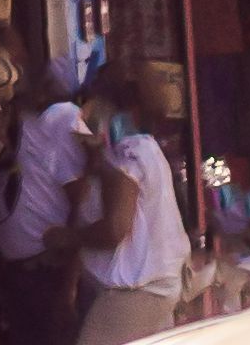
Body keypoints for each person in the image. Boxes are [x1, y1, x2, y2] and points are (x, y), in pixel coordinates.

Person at [72, 55, 191, 345]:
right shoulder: (141, 150)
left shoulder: (130, 154)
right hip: (154, 289)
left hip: (136, 292)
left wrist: (66, 238)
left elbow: (115, 228)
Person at [0, 65, 98, 345]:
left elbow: (82, 203)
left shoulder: (62, 118)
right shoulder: (24, 126)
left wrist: (69, 286)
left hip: (48, 273)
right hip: (24, 275)